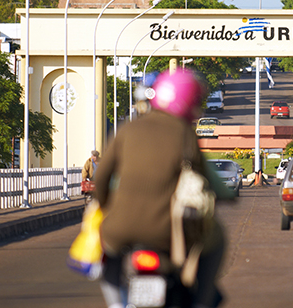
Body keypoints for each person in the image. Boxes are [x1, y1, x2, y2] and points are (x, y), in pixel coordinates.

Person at [94, 69, 226, 308]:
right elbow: (203, 178)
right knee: (216, 241)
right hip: (165, 233)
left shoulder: (127, 129)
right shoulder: (184, 133)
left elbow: (101, 177)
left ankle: (115, 304)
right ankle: (201, 303)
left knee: (108, 259)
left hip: (119, 229)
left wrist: (106, 208)